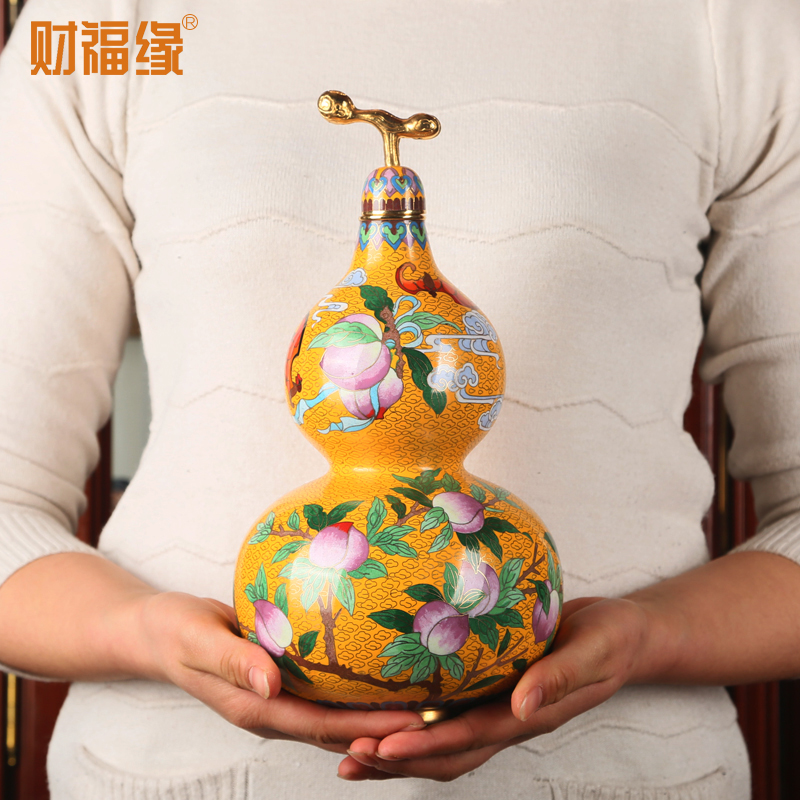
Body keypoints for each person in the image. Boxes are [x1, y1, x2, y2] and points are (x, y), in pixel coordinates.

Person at [1, 0, 799, 797]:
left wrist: (653, 635)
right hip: (176, 773)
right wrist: (145, 633)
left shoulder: (728, 19)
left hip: (625, 773)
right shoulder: (103, 18)